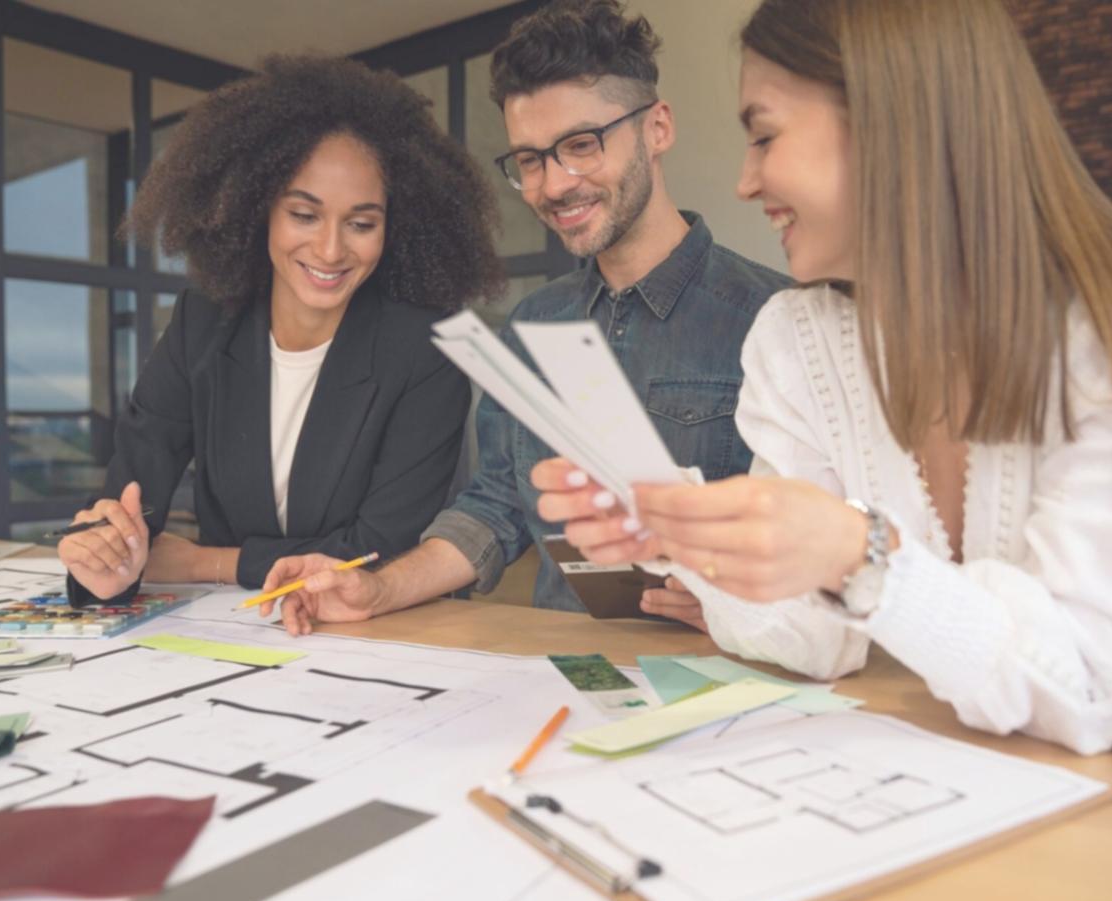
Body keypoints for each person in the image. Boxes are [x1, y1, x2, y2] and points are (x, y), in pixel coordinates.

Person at [532, 0, 1112, 754]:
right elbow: (813, 640)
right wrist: (683, 535)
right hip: (942, 757)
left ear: (892, 122)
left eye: (764, 136)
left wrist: (858, 553)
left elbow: (1090, 688)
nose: (745, 181)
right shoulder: (794, 338)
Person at [257, 0, 788, 631]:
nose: (555, 185)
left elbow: (820, 550)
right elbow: (496, 505)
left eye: (582, 145)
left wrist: (741, 608)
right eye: (530, 160)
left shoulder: (775, 322)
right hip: (562, 666)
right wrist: (377, 590)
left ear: (657, 128)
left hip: (724, 673)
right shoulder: (534, 323)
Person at [58, 56, 502, 604]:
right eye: (304, 215)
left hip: (379, 630)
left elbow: (378, 552)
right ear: (256, 208)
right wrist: (104, 556)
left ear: (395, 227)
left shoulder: (425, 349)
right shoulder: (202, 323)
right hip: (235, 630)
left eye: (362, 223)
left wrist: (204, 562)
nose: (331, 250)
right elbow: (129, 502)